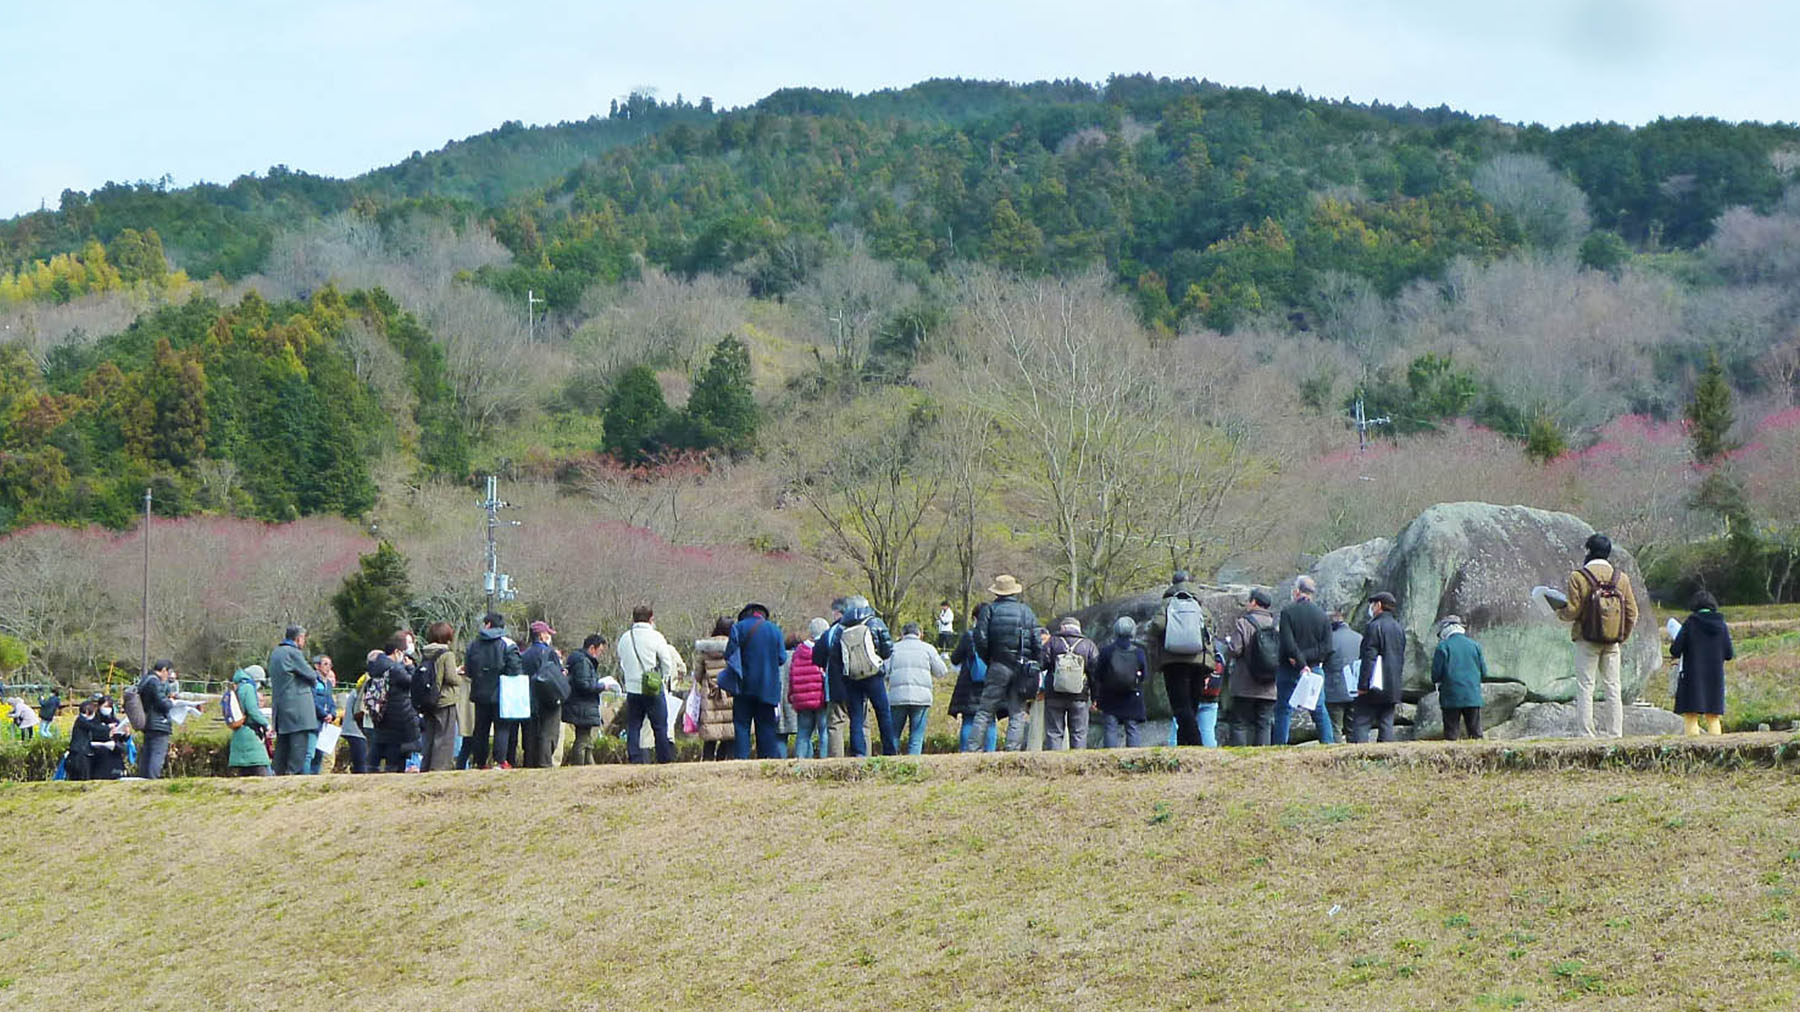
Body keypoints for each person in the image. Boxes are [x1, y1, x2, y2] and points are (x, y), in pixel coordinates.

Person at [1552, 532, 1640, 738]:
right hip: (1612, 642)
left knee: (1586, 685)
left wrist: (1559, 613)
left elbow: (1573, 610)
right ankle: (1615, 733)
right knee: (1613, 687)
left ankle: (1586, 733)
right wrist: (1620, 635)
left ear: (1589, 551)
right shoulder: (1621, 578)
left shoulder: (1579, 577)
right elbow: (1632, 613)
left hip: (1586, 638)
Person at [966, 575, 1041, 752]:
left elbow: (980, 638)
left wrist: (989, 659)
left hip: (998, 664)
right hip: (1021, 666)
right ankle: (1012, 750)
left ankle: (973, 748)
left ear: (997, 592)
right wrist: (1037, 663)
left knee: (985, 710)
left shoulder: (989, 611)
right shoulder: (1026, 611)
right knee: (1017, 713)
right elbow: (1037, 640)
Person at [817, 597, 896, 757]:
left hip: (852, 677)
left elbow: (835, 654)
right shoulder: (875, 622)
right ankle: (889, 750)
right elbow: (887, 649)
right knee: (883, 712)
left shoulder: (841, 627)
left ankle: (858, 752)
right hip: (873, 675)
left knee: (856, 717)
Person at [1146, 570, 1212, 747]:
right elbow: (1209, 631)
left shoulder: (1167, 603)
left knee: (1180, 706)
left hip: (1173, 660)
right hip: (1198, 659)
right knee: (1192, 705)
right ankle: (1186, 745)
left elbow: (1158, 625)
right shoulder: (1200, 604)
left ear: (1172, 583)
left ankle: (1196, 743)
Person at [1275, 576, 1336, 745]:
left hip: (1290, 666)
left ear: (1296, 592)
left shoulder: (1288, 612)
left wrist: (1300, 662)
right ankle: (1328, 744)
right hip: (1315, 668)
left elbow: (1288, 642)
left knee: (1284, 709)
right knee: (1318, 709)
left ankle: (1280, 746)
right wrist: (1308, 661)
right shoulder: (1322, 616)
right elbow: (1327, 647)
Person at [618, 606, 683, 764]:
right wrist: (663, 678)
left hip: (632, 688)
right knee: (660, 726)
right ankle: (663, 758)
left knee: (634, 725)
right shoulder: (656, 636)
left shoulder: (625, 638)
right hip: (652, 687)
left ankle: (635, 758)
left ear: (633, 618)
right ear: (651, 618)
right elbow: (666, 661)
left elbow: (622, 661)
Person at [461, 612, 522, 770]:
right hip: (501, 693)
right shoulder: (508, 644)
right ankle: (500, 760)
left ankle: (480, 762)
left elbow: (468, 670)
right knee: (502, 728)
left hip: (479, 692)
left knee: (480, 728)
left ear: (487, 624)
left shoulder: (474, 644)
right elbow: (515, 670)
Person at [726, 602, 787, 759]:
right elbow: (782, 658)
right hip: (768, 687)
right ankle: (767, 760)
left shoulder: (737, 628)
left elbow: (729, 656)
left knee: (741, 726)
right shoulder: (775, 630)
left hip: (743, 686)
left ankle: (742, 759)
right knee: (766, 726)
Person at [1670, 590, 1732, 736]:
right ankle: (1716, 748)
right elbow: (1729, 654)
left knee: (1691, 715)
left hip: (1693, 676)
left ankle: (1693, 749)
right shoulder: (1721, 625)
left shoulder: (1690, 623)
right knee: (1713, 717)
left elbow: (1676, 649)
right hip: (1715, 677)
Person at [1226, 590, 1280, 746]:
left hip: (1245, 683)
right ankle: (1263, 757)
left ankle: (1240, 757)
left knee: (1239, 722)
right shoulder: (1274, 624)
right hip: (1269, 685)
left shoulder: (1243, 623)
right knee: (1264, 723)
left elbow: (1235, 649)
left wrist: (1228, 644)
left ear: (1254, 602)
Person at [885, 622, 946, 755]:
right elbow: (941, 671)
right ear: (920, 634)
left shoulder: (893, 649)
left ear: (902, 634)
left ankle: (890, 764)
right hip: (921, 698)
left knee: (894, 735)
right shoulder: (928, 649)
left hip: (897, 697)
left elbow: (884, 671)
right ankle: (914, 765)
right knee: (916, 737)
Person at [947, 604, 999, 752]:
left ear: (975, 618)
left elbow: (955, 659)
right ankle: (990, 752)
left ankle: (965, 751)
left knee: (969, 719)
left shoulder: (969, 636)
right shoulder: (996, 637)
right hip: (992, 682)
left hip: (969, 685)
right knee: (989, 720)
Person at [1041, 616, 1098, 750]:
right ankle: (1078, 765)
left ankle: (1054, 765)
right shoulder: (1088, 645)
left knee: (1054, 732)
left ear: (1063, 628)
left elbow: (1041, 664)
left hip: (1054, 694)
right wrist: (1095, 697)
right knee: (1079, 733)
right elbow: (1095, 674)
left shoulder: (1052, 642)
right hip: (1079, 695)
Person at [1355, 592, 1405, 743]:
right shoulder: (1398, 628)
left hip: (1374, 683)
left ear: (1378, 605)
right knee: (1386, 723)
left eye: (1373, 604)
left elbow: (1369, 657)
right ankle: (1385, 755)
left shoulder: (1374, 626)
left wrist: (1363, 685)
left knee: (1361, 722)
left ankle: (1359, 753)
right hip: (1393, 684)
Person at [268, 625, 318, 776]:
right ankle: (292, 775)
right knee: (298, 747)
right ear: (298, 638)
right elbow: (311, 675)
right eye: (303, 638)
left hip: (281, 705)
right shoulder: (293, 652)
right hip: (297, 708)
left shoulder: (276, 652)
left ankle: (278, 774)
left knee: (283, 746)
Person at [1431, 615, 1488, 740]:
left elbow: (1435, 674)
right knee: (1475, 732)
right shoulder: (1475, 645)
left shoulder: (1443, 646)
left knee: (1451, 733)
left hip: (1450, 695)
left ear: (1446, 629)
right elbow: (1484, 672)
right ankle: (1480, 757)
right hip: (1472, 694)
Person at [1093, 617, 1147, 747]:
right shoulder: (1139, 652)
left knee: (1110, 728)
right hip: (1132, 696)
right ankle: (1134, 759)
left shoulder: (1106, 651)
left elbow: (1098, 675)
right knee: (1132, 728)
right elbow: (1144, 675)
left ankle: (1110, 759)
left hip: (1109, 696)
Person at [369, 635, 419, 773]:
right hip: (397, 715)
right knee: (395, 757)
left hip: (382, 713)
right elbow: (412, 682)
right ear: (397, 652)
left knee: (379, 749)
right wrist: (410, 668)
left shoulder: (377, 666)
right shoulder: (395, 669)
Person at [419, 622, 464, 772]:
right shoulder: (446, 654)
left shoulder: (425, 653)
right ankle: (439, 768)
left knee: (430, 737)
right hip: (445, 699)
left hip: (428, 700)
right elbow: (450, 677)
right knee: (444, 737)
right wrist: (461, 677)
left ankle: (425, 767)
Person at [520, 620, 563, 768]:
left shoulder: (524, 655)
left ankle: (530, 762)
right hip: (549, 698)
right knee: (548, 732)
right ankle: (545, 762)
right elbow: (557, 674)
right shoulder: (549, 653)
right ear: (541, 635)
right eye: (547, 634)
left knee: (531, 733)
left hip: (530, 699)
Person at [692, 617, 737, 760]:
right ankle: (726, 758)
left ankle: (707, 759)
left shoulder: (705, 648)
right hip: (730, 692)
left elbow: (698, 674)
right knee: (729, 729)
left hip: (710, 693)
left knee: (710, 730)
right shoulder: (735, 647)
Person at [787, 618, 830, 758]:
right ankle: (825, 762)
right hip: (820, 698)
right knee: (824, 732)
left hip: (802, 699)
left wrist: (792, 696)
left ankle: (800, 762)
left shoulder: (799, 651)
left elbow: (792, 675)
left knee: (803, 734)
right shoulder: (825, 649)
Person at [564, 633, 608, 765]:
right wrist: (601, 686)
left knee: (586, 739)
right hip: (582, 706)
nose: (600, 654)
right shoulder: (583, 662)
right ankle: (579, 766)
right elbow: (584, 684)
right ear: (592, 648)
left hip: (580, 705)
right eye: (599, 650)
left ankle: (590, 765)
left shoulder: (579, 659)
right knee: (582, 740)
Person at [1322, 609, 1362, 743]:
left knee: (1335, 728)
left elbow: (1321, 659)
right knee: (1353, 728)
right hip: (1356, 689)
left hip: (1334, 690)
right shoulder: (1359, 638)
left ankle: (1336, 758)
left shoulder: (1329, 640)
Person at [226, 665, 272, 776]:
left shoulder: (238, 686)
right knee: (260, 765)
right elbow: (252, 710)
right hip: (249, 733)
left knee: (245, 772)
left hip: (239, 732)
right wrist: (266, 724)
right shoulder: (248, 687)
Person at [135, 659, 176, 779]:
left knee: (147, 753)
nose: (168, 676)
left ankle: (143, 779)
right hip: (158, 723)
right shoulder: (155, 682)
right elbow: (162, 704)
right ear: (163, 670)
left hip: (148, 723)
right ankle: (152, 780)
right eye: (168, 673)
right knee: (157, 754)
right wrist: (172, 702)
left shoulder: (146, 680)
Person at [306, 655, 339, 774]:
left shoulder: (328, 684)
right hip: (314, 722)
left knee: (320, 754)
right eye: (325, 664)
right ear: (317, 666)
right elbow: (312, 700)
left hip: (325, 724)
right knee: (310, 753)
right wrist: (324, 714)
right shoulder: (313, 681)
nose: (328, 667)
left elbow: (331, 701)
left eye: (330, 665)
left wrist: (332, 714)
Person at [65, 696, 107, 781]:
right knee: (81, 777)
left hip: (82, 752)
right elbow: (95, 727)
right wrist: (109, 728)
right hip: (79, 754)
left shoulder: (84, 720)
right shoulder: (81, 721)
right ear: (87, 712)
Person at [88, 695, 130, 780]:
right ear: (99, 707)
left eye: (109, 707)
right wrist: (107, 732)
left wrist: (126, 735)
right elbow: (93, 734)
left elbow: (120, 739)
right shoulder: (94, 721)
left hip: (114, 752)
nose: (107, 709)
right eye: (105, 706)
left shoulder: (115, 721)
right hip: (100, 753)